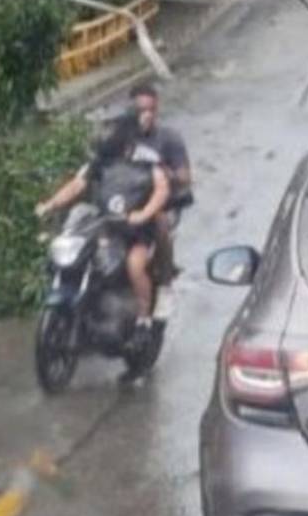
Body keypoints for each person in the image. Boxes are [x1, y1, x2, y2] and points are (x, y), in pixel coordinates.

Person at [36, 112, 170, 346]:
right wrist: (51, 204)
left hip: (136, 230)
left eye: (110, 129)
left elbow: (161, 189)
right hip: (105, 226)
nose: (105, 134)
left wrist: (144, 214)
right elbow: (77, 185)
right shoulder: (100, 160)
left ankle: (144, 319)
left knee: (134, 265)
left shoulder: (147, 160)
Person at [129, 82, 192, 317]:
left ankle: (165, 284)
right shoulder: (121, 135)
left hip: (164, 200)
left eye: (151, 110)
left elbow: (185, 177)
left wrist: (166, 172)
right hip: (130, 197)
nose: (146, 115)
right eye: (140, 110)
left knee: (160, 220)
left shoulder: (168, 138)